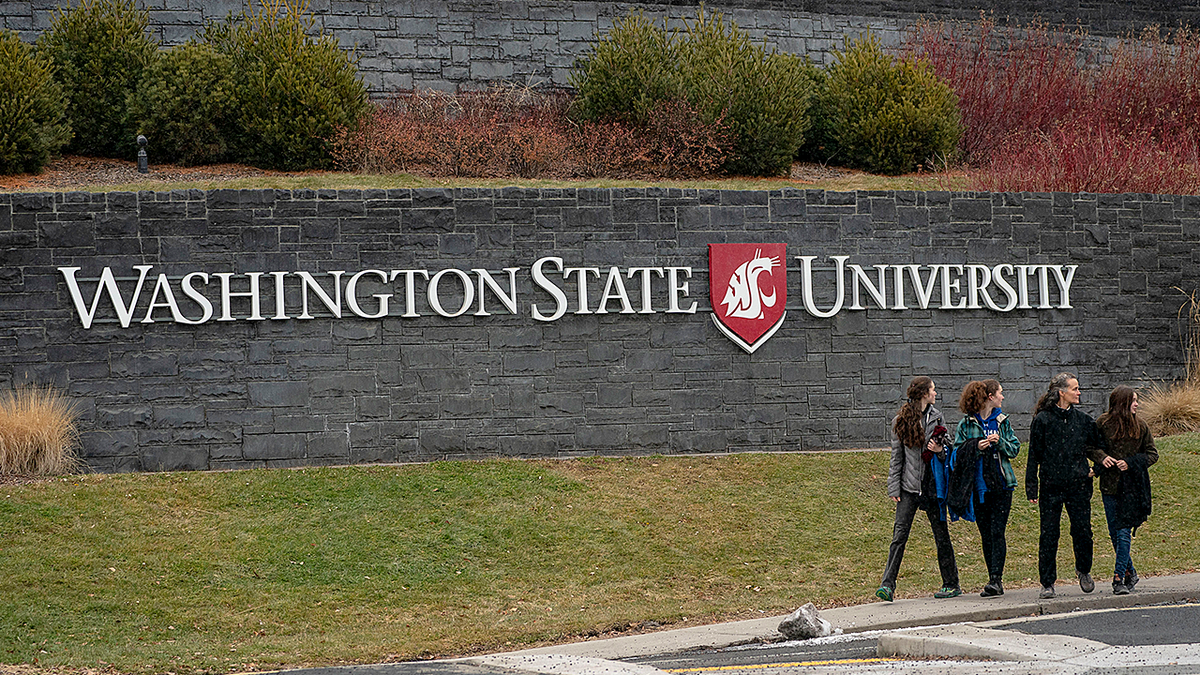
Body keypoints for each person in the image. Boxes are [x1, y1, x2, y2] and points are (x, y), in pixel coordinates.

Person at [876, 376, 961, 602]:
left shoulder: (937, 417)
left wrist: (939, 450)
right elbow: (897, 458)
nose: (935, 393)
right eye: (932, 390)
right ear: (924, 394)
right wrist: (894, 487)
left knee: (941, 535)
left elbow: (948, 447)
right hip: (908, 487)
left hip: (932, 486)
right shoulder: (901, 421)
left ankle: (951, 583)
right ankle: (887, 585)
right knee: (899, 536)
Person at [1026, 372, 1109, 599]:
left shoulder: (1083, 421)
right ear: (1061, 392)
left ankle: (1084, 569)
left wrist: (1096, 469)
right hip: (1051, 486)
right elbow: (1034, 455)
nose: (1078, 392)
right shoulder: (1043, 420)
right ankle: (1047, 582)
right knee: (1049, 534)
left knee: (1083, 531)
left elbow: (1099, 448)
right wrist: (1031, 486)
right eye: (1074, 388)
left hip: (1078, 485)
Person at [954, 379, 1021, 597]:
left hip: (1002, 485)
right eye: (1000, 393)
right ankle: (992, 576)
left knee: (997, 531)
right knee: (986, 533)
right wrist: (976, 446)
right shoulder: (966, 424)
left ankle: (996, 579)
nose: (1003, 397)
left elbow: (1014, 449)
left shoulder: (1002, 421)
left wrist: (999, 442)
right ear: (989, 397)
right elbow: (957, 453)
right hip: (977, 486)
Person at [1095, 385, 1158, 595]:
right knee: (1114, 532)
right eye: (1134, 401)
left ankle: (1118, 577)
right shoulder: (1103, 424)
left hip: (1132, 487)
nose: (1137, 404)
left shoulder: (1140, 426)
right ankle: (1131, 571)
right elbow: (1091, 447)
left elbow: (1152, 454)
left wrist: (1130, 463)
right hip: (1109, 486)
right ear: (1123, 403)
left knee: (1123, 532)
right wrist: (1102, 458)